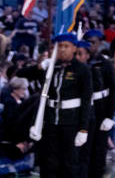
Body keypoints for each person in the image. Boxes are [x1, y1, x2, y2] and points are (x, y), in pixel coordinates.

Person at [23, 33, 93, 178]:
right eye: (59, 46)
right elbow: (21, 73)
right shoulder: (51, 67)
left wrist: (84, 128)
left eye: (66, 46)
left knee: (69, 163)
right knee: (48, 162)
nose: (62, 49)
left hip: (71, 122)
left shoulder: (82, 69)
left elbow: (86, 100)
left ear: (74, 48)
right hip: (49, 122)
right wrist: (40, 66)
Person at [80, 30, 115, 178]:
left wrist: (110, 116)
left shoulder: (105, 63)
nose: (91, 45)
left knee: (99, 150)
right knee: (84, 150)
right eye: (88, 42)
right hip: (85, 109)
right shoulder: (81, 63)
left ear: (100, 43)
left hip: (102, 109)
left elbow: (113, 91)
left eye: (93, 42)